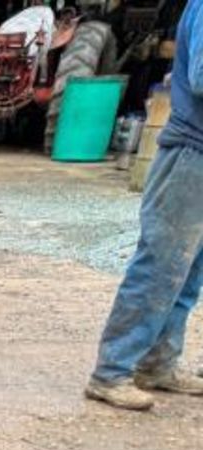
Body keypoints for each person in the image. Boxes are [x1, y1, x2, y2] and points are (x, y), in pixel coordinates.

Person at [87, 0, 203, 410]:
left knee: (188, 274)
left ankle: (158, 364)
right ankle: (112, 371)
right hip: (193, 152)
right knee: (161, 265)